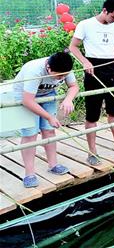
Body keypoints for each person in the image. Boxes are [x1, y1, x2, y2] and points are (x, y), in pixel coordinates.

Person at [69, 0, 114, 166]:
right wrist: (85, 62)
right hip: (93, 68)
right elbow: (73, 47)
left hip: (112, 69)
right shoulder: (85, 24)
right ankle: (92, 151)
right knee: (92, 113)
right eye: (113, 16)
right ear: (105, 10)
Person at [13, 52, 79, 188]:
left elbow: (74, 86)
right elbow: (28, 100)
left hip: (48, 94)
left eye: (64, 76)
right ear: (48, 68)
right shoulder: (35, 71)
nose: (61, 78)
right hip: (26, 97)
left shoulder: (65, 68)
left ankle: (53, 165)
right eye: (59, 76)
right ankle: (29, 174)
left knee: (49, 131)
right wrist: (49, 117)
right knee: (30, 134)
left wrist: (68, 99)